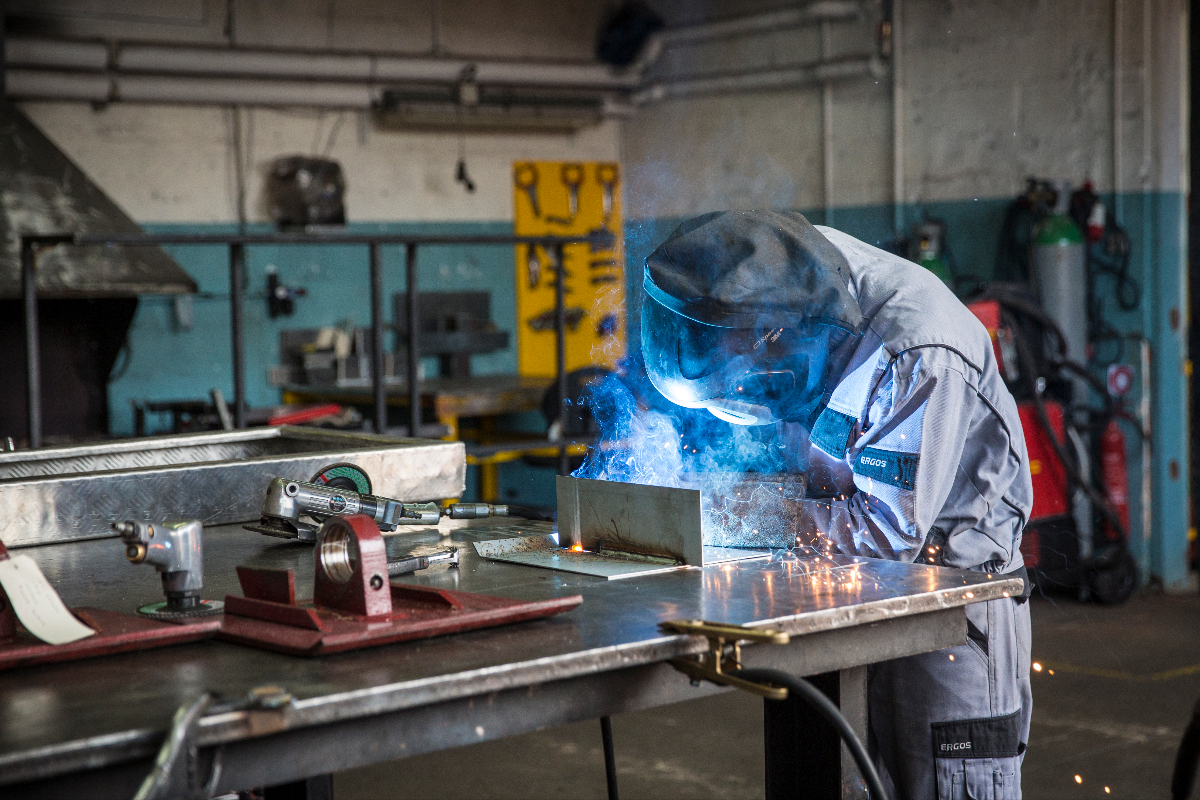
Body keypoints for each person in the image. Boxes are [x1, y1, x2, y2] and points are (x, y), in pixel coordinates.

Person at [640, 210, 1033, 800]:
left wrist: (736, 516)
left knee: (943, 786)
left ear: (773, 332)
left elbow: (885, 537)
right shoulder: (779, 279)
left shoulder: (915, 350)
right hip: (846, 598)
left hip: (947, 604)